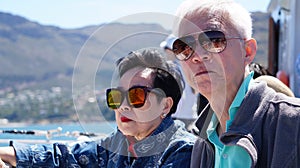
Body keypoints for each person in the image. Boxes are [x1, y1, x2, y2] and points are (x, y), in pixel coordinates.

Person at [0, 49, 196, 167]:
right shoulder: (118, 145)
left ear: (165, 105)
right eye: (117, 96)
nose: (123, 106)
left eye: (136, 95)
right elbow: (65, 156)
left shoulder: (183, 151)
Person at [172, 0, 300, 167]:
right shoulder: (202, 143)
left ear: (248, 51)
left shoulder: (293, 124)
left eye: (214, 41)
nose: (197, 55)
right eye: (184, 47)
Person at [160, 34, 199, 131]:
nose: (165, 52)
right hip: (191, 117)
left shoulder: (169, 68)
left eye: (166, 49)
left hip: (174, 117)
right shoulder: (189, 68)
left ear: (170, 50)